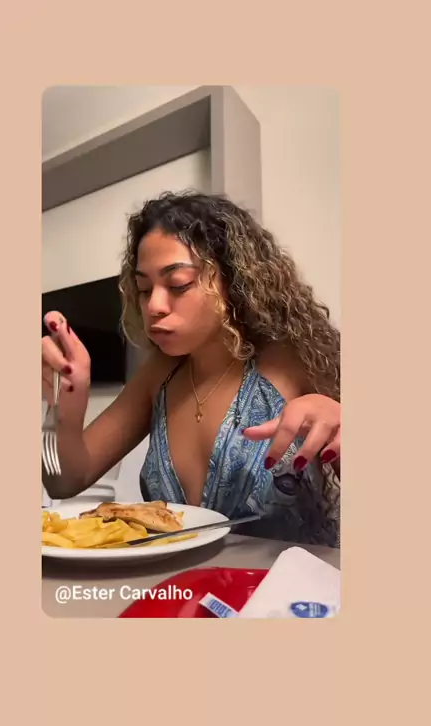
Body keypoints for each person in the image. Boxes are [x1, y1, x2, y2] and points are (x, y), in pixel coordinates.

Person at [42, 191, 341, 547]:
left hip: (292, 582)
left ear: (234, 280)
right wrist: (62, 413)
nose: (154, 305)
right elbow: (62, 482)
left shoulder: (296, 361)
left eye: (178, 284)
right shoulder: (158, 376)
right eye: (143, 288)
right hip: (179, 582)